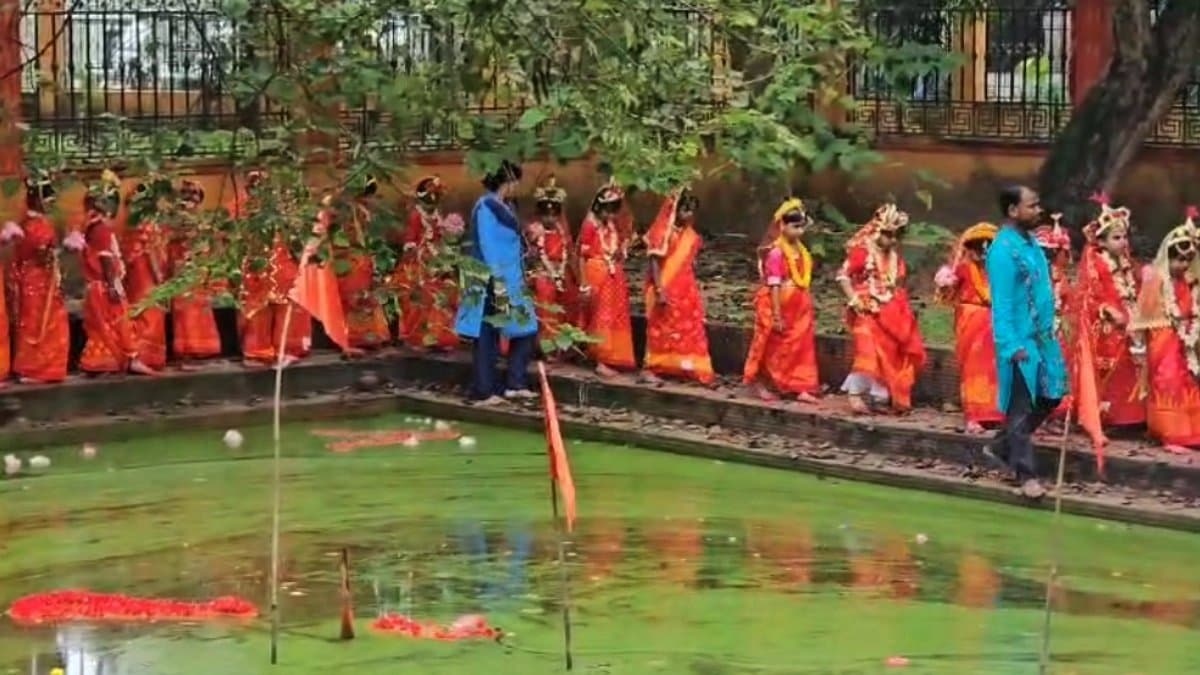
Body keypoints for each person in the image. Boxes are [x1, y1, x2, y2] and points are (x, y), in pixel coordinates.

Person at [985, 185, 1068, 500]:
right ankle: (1026, 474)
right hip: (1019, 341)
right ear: (1012, 211)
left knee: (1051, 396)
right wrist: (1010, 345)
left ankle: (1001, 447)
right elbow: (1002, 305)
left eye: (1038, 204)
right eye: (1032, 206)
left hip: (1043, 337)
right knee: (1020, 408)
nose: (1039, 210)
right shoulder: (1003, 251)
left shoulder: (1031, 243)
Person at [455, 160, 538, 404]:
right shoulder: (485, 206)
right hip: (491, 279)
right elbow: (488, 243)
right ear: (508, 182)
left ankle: (515, 382)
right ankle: (484, 389)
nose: (516, 187)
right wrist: (496, 279)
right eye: (515, 182)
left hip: (511, 276)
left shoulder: (506, 206)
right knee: (487, 332)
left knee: (525, 328)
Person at [837, 203, 927, 413]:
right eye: (887, 234)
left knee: (889, 351)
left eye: (896, 235)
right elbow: (843, 276)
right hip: (866, 309)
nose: (892, 240)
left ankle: (879, 396)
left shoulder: (895, 257)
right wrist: (854, 300)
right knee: (867, 349)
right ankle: (855, 394)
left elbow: (895, 284)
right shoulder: (862, 252)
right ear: (877, 230)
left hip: (892, 311)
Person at [73, 170, 156, 376]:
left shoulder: (91, 227)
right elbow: (106, 258)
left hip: (97, 286)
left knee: (103, 326)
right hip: (104, 285)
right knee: (117, 322)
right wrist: (112, 285)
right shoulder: (100, 229)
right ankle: (125, 360)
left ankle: (111, 362)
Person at [1132, 209, 1200, 453]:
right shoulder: (1157, 280)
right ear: (1167, 257)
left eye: (1187, 260)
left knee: (1187, 380)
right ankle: (1168, 432)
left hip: (1184, 338)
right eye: (1178, 259)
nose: (1182, 265)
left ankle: (1189, 430)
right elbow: (1147, 316)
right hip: (1164, 338)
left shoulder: (1187, 281)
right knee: (1167, 380)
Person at [1076, 196, 1146, 429]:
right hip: (1108, 324)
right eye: (1117, 238)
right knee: (1111, 370)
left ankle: (1133, 416)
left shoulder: (1126, 261)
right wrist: (1108, 311)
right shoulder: (1096, 262)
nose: (1123, 242)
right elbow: (1090, 294)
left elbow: (1135, 286)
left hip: (1130, 318)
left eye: (1125, 237)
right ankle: (1110, 416)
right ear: (1102, 242)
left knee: (1132, 365)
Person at [742, 198, 819, 402]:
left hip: (799, 308)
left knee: (801, 347)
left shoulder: (801, 250)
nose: (799, 232)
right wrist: (776, 314)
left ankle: (799, 386)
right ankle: (760, 383)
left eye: (802, 227)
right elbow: (774, 285)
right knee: (770, 346)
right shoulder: (776, 253)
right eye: (795, 227)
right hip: (777, 305)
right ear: (782, 226)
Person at [235, 170, 312, 367]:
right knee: (256, 309)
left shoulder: (283, 212)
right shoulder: (240, 210)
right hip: (256, 267)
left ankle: (286, 349)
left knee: (287, 306)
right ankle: (257, 352)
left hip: (281, 265)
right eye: (254, 187)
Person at [934, 223, 1003, 433]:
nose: (980, 254)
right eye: (975, 248)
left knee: (994, 369)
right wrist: (945, 282)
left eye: (986, 248)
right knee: (973, 369)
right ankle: (974, 416)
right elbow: (945, 293)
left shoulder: (998, 272)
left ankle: (993, 413)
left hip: (994, 324)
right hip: (970, 320)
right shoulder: (962, 268)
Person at [642, 187, 715, 385]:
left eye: (692, 210)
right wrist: (659, 289)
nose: (689, 214)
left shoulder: (689, 234)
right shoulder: (663, 232)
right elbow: (654, 262)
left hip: (685, 290)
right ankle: (652, 367)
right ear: (675, 209)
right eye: (685, 209)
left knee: (687, 328)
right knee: (660, 328)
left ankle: (684, 366)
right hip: (664, 286)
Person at [5, 175, 69, 384]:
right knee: (43, 325)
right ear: (38, 200)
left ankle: (29, 368)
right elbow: (43, 256)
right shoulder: (39, 226)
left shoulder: (26, 223)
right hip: (40, 281)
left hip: (29, 280)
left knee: (30, 324)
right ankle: (39, 370)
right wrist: (59, 252)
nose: (50, 205)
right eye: (48, 200)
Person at [577, 181, 636, 377]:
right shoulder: (590, 225)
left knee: (615, 316)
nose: (610, 215)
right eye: (607, 210)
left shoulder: (610, 224)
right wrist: (584, 283)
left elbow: (614, 246)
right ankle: (600, 359)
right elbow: (580, 255)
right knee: (600, 316)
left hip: (613, 274)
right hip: (596, 272)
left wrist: (621, 250)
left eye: (613, 211)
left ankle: (614, 355)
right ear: (598, 207)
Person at [396, 176, 459, 350]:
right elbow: (410, 237)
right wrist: (413, 252)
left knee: (442, 297)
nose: (433, 202)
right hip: (420, 261)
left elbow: (440, 237)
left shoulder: (437, 214)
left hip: (436, 259)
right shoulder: (416, 215)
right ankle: (418, 337)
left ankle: (439, 336)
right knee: (422, 298)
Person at [168, 180, 223, 368]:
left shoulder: (205, 221)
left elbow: (212, 245)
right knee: (183, 312)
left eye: (194, 193)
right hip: (181, 271)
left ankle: (203, 350)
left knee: (200, 309)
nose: (190, 197)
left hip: (199, 272)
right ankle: (185, 351)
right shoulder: (173, 221)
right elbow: (167, 244)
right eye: (185, 193)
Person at [334, 176, 390, 351]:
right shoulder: (343, 211)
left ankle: (369, 336)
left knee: (367, 295)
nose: (368, 199)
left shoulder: (362, 210)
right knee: (352, 297)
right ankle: (350, 338)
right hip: (348, 260)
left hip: (362, 259)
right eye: (366, 194)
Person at [524, 176, 578, 356]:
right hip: (541, 272)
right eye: (546, 214)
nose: (550, 218)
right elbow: (534, 256)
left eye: (554, 214)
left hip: (560, 273)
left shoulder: (561, 231)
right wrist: (549, 273)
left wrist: (561, 272)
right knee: (546, 301)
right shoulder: (534, 230)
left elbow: (566, 254)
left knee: (567, 299)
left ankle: (562, 346)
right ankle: (545, 347)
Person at [123, 182, 169, 371]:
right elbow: (152, 254)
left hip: (135, 275)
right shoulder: (147, 225)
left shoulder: (131, 225)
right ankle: (146, 357)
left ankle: (137, 354)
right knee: (151, 313)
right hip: (146, 274)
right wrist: (160, 279)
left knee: (139, 311)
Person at [1034, 216, 1074, 423]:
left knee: (1055, 377)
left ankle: (1049, 418)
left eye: (1053, 252)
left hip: (1058, 334)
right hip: (1036, 333)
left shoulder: (1061, 278)